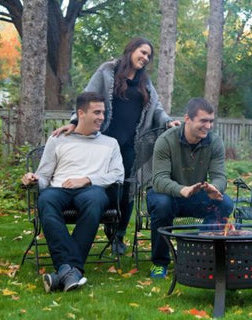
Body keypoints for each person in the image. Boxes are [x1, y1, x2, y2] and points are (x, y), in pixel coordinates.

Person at [53, 37, 179, 255]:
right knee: (104, 187)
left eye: (149, 55)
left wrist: (167, 121)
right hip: (103, 144)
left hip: (132, 145)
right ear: (130, 50)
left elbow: (156, 108)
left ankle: (118, 235)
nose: (145, 58)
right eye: (142, 52)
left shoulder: (144, 82)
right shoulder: (106, 72)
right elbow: (87, 97)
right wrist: (75, 121)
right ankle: (104, 226)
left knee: (127, 190)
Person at [22, 92, 124, 293]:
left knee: (94, 200)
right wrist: (32, 178)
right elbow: (44, 176)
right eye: (96, 112)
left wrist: (87, 179)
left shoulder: (110, 143)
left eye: (103, 112)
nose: (101, 117)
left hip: (91, 190)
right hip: (59, 189)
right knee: (45, 200)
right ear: (81, 113)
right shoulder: (58, 140)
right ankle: (72, 271)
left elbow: (117, 175)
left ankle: (64, 270)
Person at [146, 97, 234, 279]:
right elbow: (159, 180)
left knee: (224, 203)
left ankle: (199, 255)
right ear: (188, 119)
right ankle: (159, 263)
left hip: (196, 195)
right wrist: (181, 189)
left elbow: (220, 176)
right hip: (165, 194)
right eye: (203, 121)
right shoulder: (166, 141)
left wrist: (214, 188)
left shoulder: (214, 142)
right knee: (162, 205)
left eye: (211, 121)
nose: (208, 126)